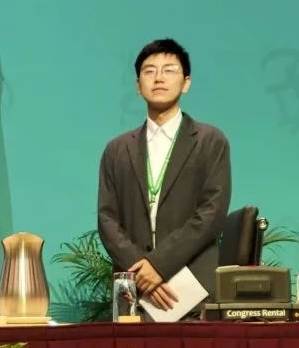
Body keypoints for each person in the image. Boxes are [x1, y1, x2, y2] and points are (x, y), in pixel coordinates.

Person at [97, 38, 231, 313]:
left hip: (193, 292)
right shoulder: (116, 149)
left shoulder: (209, 141)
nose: (159, 78)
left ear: (186, 82)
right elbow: (107, 219)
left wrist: (159, 265)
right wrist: (142, 273)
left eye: (169, 70)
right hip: (134, 293)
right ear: (138, 86)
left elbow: (212, 213)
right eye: (149, 71)